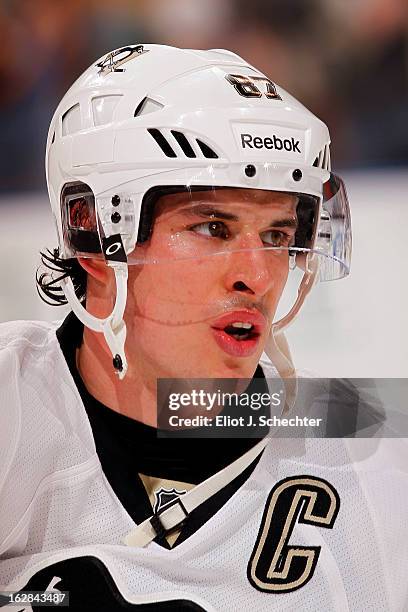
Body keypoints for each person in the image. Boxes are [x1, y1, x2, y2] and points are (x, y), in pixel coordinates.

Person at [0, 44, 406, 611]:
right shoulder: (12, 403)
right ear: (92, 232)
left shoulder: (368, 447)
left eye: (275, 235)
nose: (259, 276)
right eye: (213, 227)